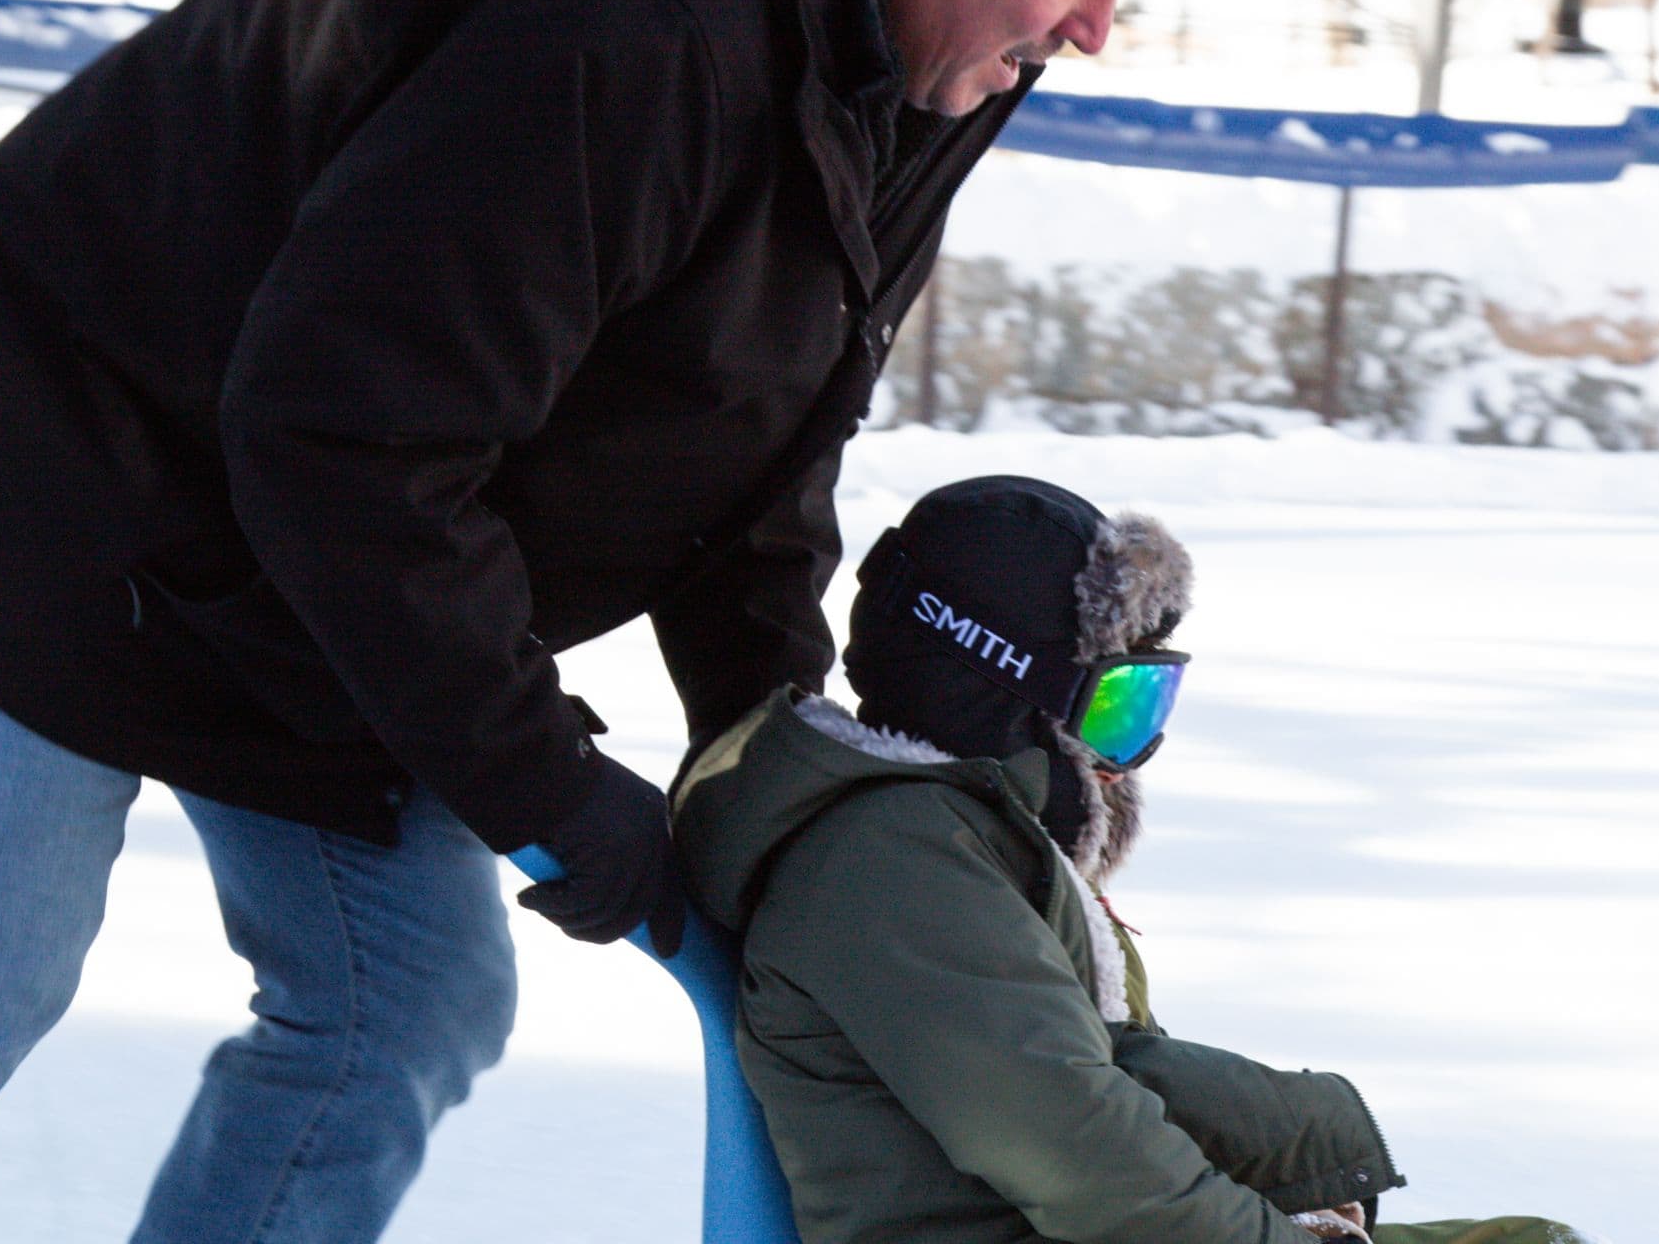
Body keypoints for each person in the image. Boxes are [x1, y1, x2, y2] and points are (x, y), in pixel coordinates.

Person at [0, 0, 1230, 1236]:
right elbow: (350, 440)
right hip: (50, 479)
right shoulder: (620, 9)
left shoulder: (941, 54)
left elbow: (760, 422)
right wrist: (548, 790)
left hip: (316, 549)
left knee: (399, 1016)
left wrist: (776, 764)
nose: (1098, 24)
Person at [670, 475, 1592, 1243]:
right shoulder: (893, 862)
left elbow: (1094, 1090)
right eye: (1116, 706)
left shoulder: (943, 841)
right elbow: (1074, 1146)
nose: (1125, 756)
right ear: (1007, 687)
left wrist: (1289, 1167)